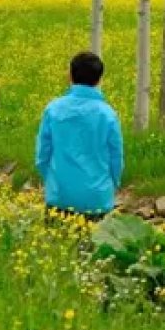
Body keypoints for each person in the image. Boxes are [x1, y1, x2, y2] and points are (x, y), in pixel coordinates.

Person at [35, 51, 124, 221]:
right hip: (96, 198)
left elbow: (42, 155)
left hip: (59, 195)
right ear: (99, 79)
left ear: (70, 75)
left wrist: (53, 180)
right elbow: (116, 159)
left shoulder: (53, 109)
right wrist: (111, 185)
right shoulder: (107, 114)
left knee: (57, 245)